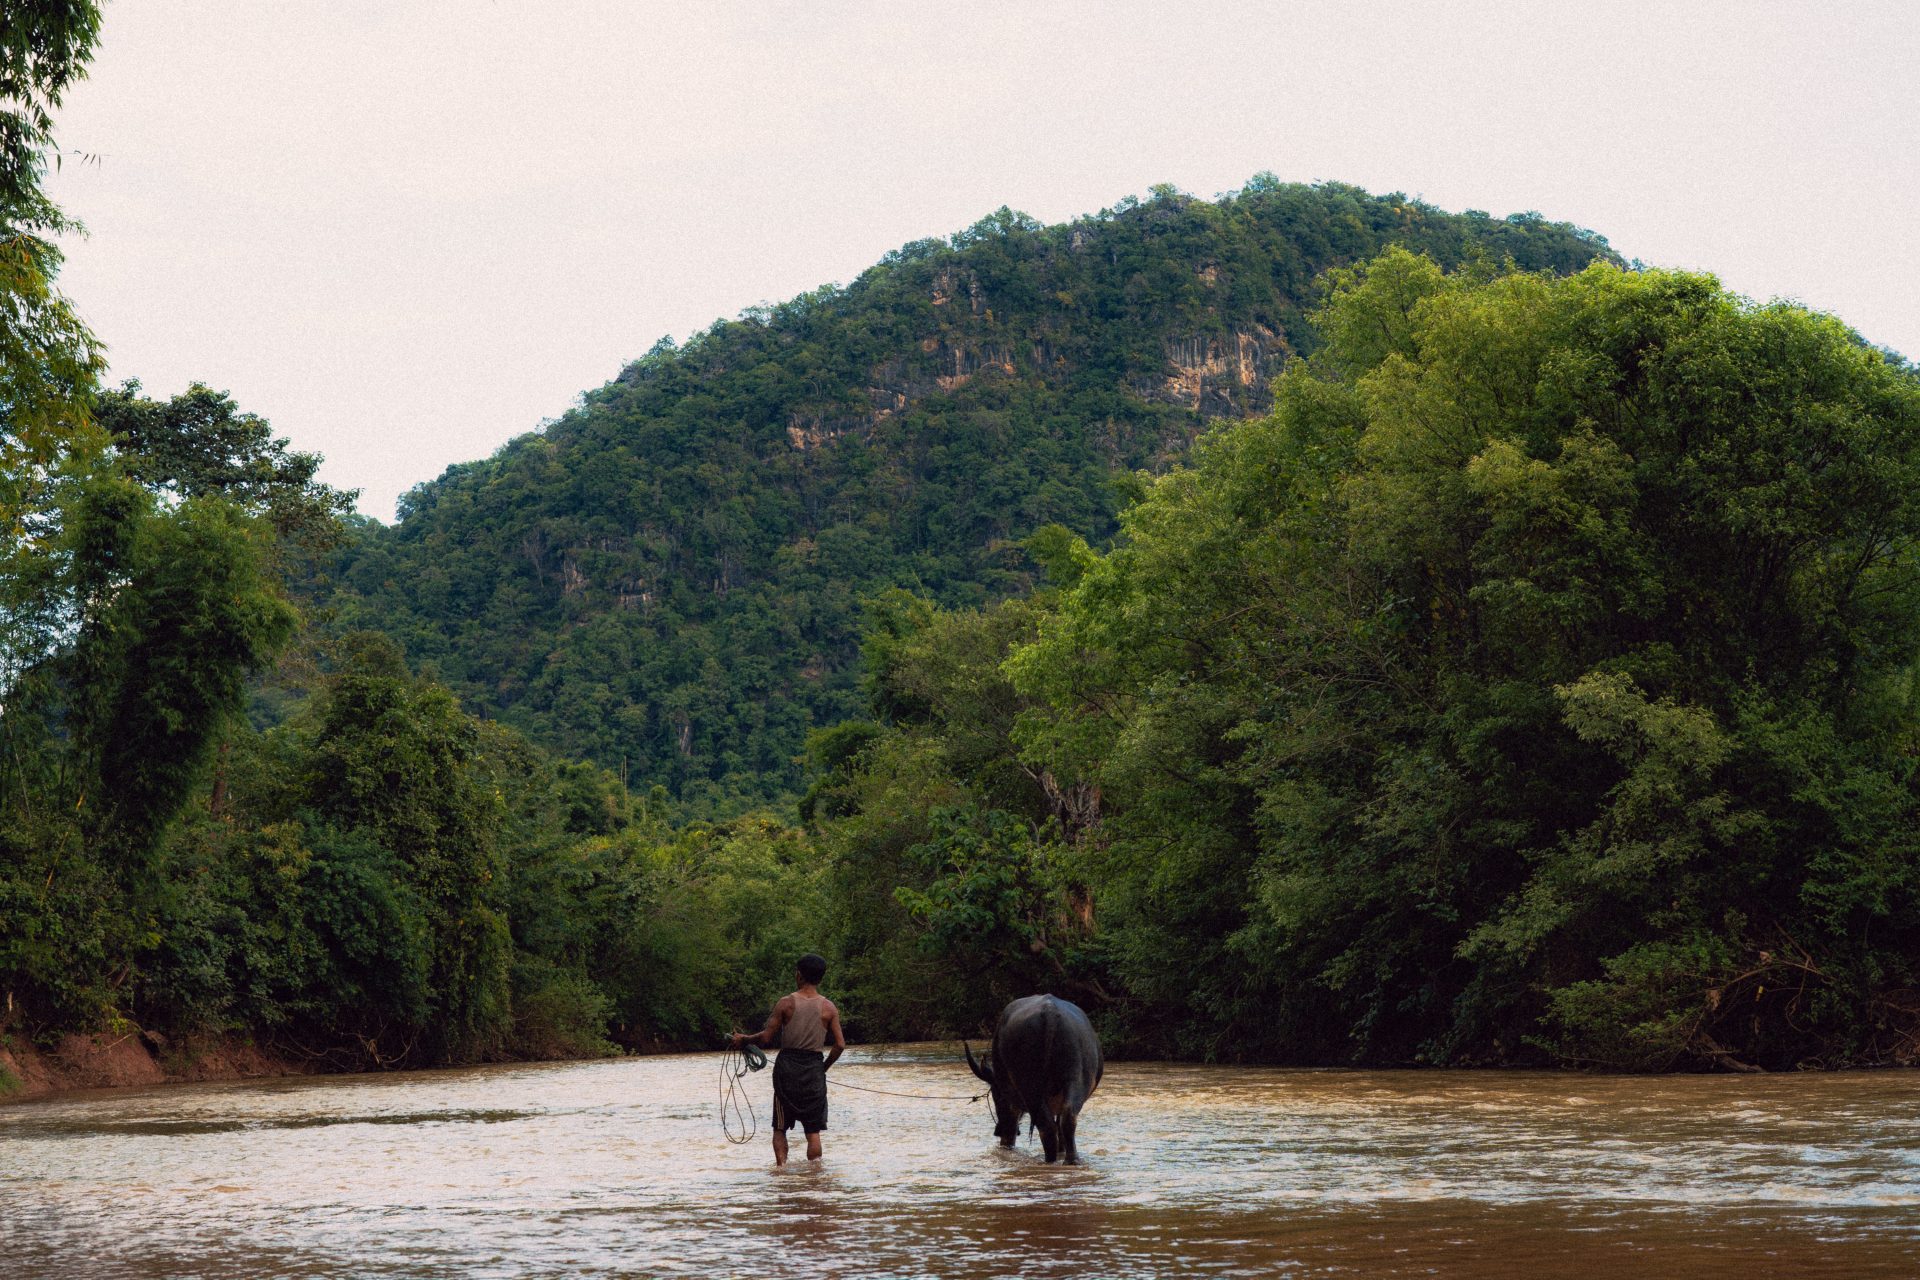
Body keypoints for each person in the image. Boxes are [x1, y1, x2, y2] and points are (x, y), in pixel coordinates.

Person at [731, 953, 845, 1165]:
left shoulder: (786, 1004)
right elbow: (840, 1045)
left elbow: (765, 1037)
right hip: (813, 1071)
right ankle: (815, 1176)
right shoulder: (829, 1008)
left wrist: (744, 1040)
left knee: (780, 1127)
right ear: (821, 978)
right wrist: (823, 1068)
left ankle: (781, 1171)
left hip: (787, 1070)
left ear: (798, 975)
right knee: (813, 1130)